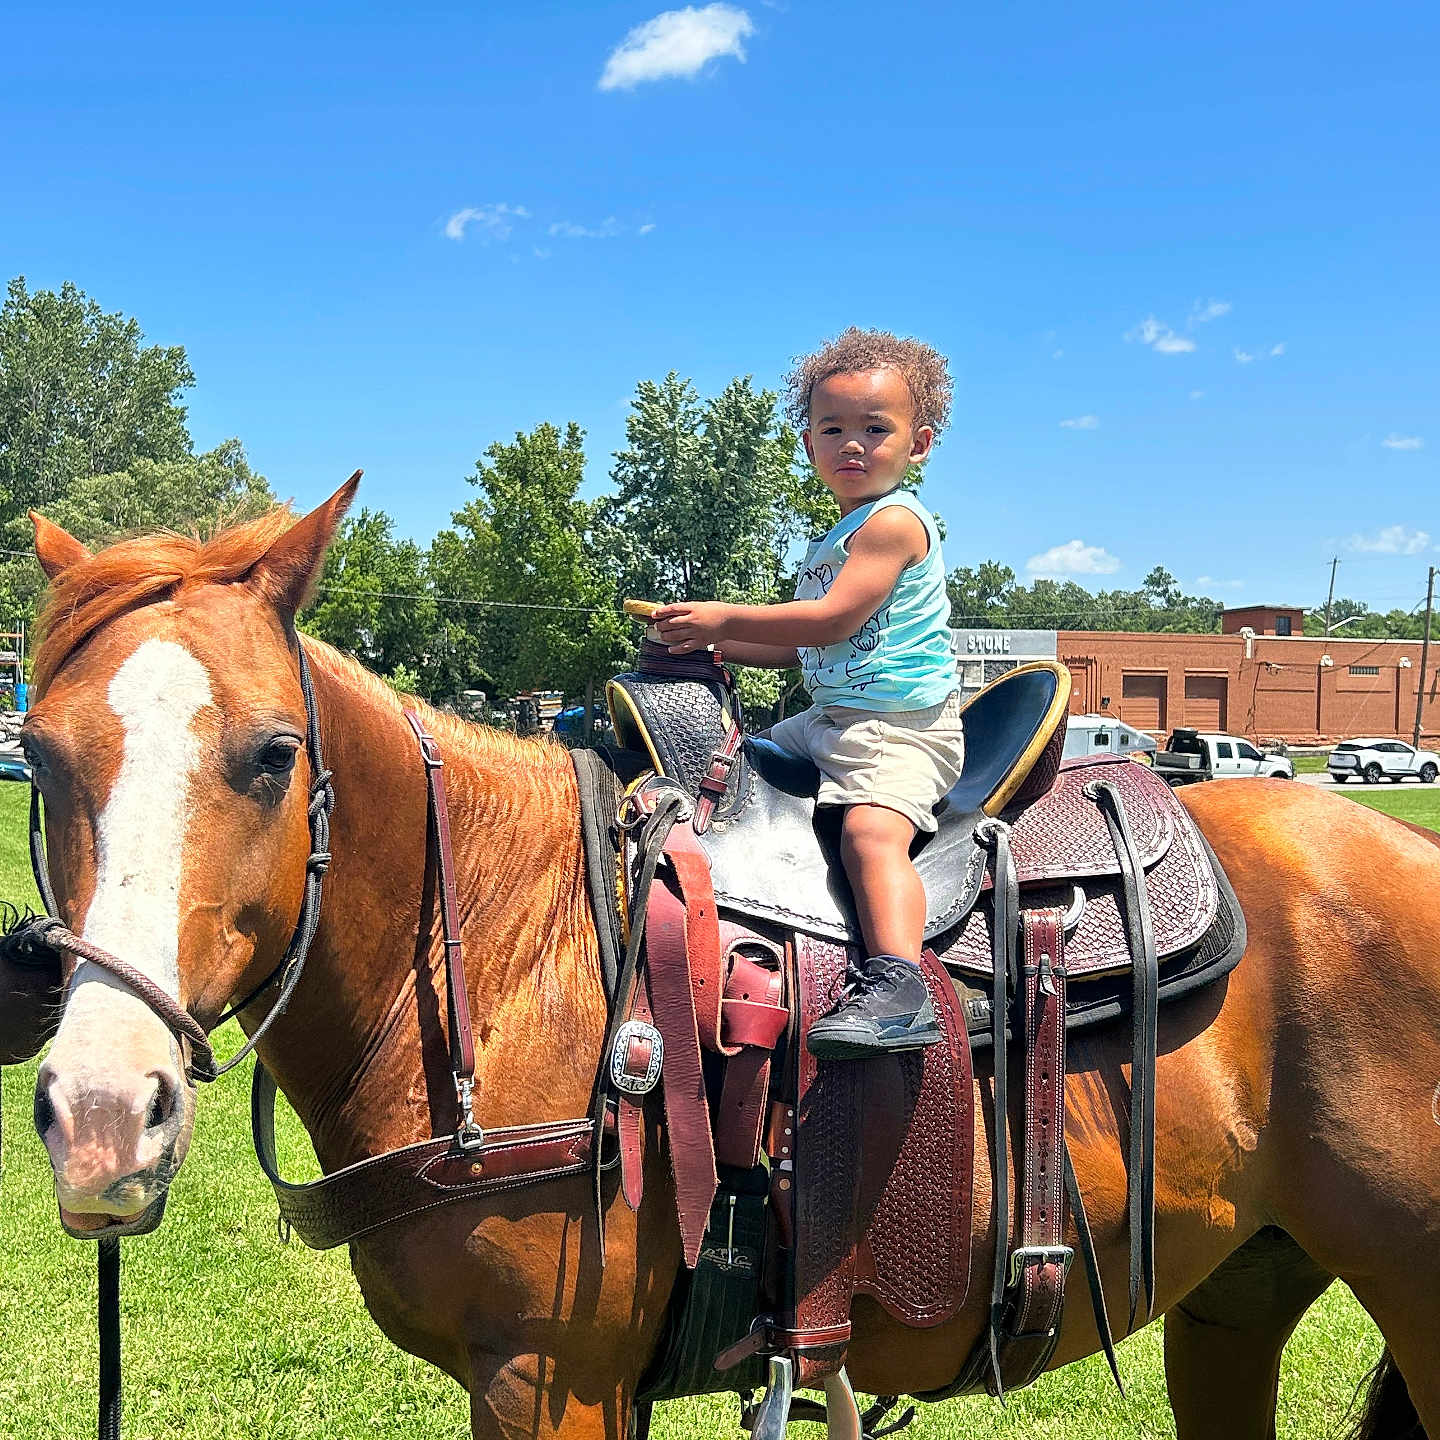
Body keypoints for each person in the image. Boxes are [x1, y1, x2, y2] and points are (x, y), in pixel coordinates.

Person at [653, 328, 963, 1058]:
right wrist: (710, 644)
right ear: (808, 446)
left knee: (869, 832)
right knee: (735, 767)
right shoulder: (840, 535)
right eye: (834, 429)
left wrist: (724, 616)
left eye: (874, 429)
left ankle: (897, 984)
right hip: (830, 718)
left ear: (917, 444)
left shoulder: (893, 523)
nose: (852, 444)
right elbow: (801, 645)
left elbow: (834, 618)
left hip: (900, 730)